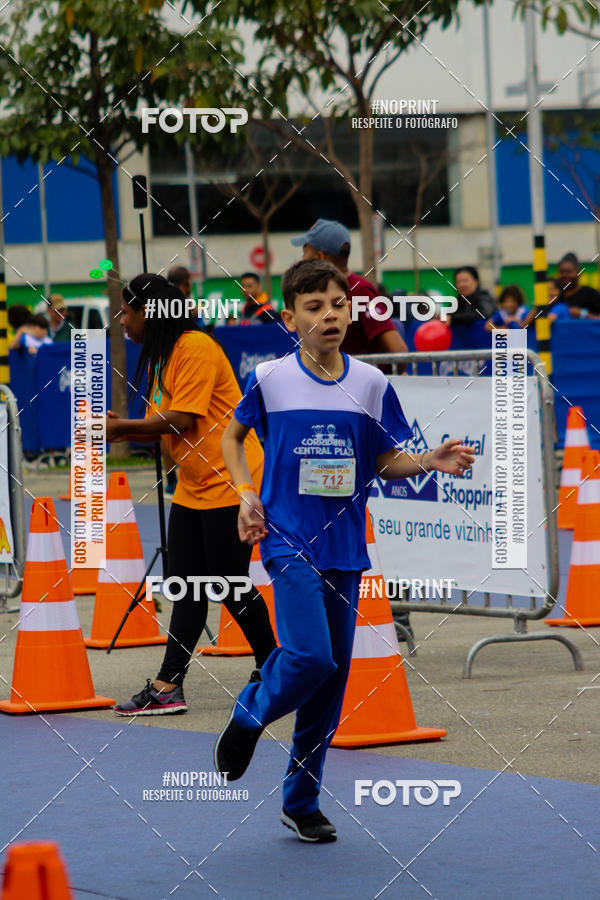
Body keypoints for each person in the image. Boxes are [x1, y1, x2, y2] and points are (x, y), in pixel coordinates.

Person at [215, 259, 476, 842]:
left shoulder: (370, 384)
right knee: (312, 658)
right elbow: (232, 436)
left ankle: (300, 801)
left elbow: (385, 461)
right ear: (290, 317)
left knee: (330, 687)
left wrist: (429, 461)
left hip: (345, 547)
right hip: (286, 538)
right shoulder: (270, 380)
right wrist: (244, 493)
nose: (329, 315)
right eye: (314, 307)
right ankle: (250, 713)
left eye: (338, 304)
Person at [107, 274, 277, 716]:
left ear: (150, 312)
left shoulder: (196, 348)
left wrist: (121, 428)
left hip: (228, 478)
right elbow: (164, 425)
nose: (121, 319)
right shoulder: (165, 355)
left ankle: (274, 666)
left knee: (227, 581)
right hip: (193, 484)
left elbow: (181, 418)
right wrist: (122, 429)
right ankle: (169, 687)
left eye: (127, 310)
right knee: (187, 584)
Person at [291, 218, 408, 363]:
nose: (302, 260)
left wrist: (379, 380)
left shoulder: (360, 291)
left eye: (305, 253)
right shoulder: (313, 291)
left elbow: (399, 353)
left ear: (319, 257)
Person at [555, 252, 600, 318]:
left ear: (579, 272)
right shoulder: (556, 295)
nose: (564, 275)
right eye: (562, 272)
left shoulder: (591, 294)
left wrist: (582, 313)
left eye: (568, 272)